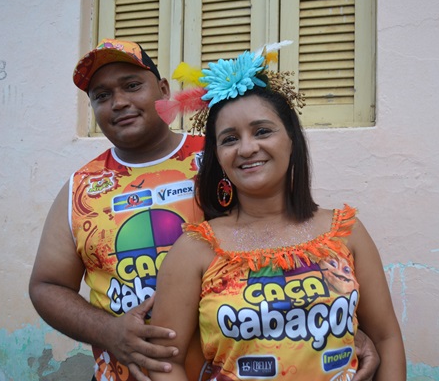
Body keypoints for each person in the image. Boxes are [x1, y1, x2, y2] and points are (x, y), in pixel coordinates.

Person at [29, 39, 381, 381]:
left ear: (163, 90)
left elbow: (294, 241)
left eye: (132, 85)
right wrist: (108, 331)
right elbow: (47, 286)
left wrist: (340, 328)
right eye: (102, 95)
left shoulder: (227, 155)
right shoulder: (82, 189)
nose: (119, 102)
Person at [149, 47, 406, 380]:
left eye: (262, 131)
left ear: (291, 140)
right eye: (230, 139)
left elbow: (386, 338)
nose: (247, 148)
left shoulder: (346, 232)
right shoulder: (194, 249)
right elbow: (164, 362)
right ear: (218, 156)